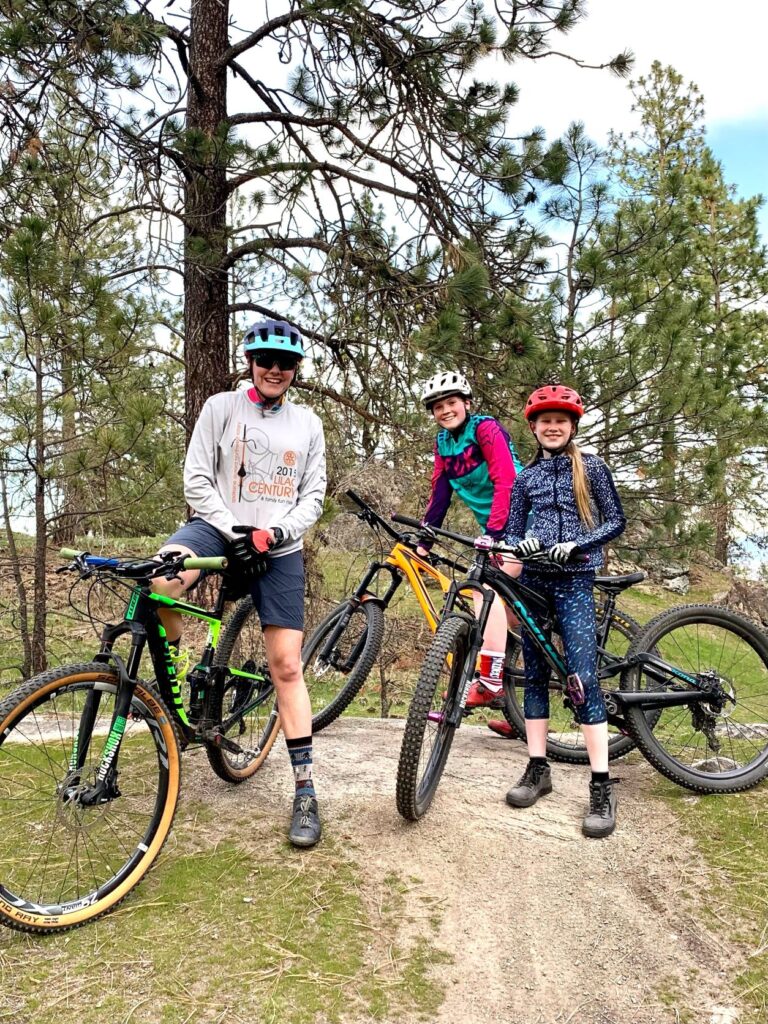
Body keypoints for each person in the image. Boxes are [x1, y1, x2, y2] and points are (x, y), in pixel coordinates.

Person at [153, 318, 326, 848]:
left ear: (296, 369)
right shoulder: (221, 408)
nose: (275, 369)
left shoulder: (308, 424)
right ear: (250, 361)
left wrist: (272, 533)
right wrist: (235, 531)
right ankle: (177, 681)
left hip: (280, 544)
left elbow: (312, 498)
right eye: (265, 359)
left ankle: (306, 791)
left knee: (286, 666)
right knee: (159, 577)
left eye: (286, 362)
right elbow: (197, 477)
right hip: (216, 528)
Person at [503, 384, 626, 838]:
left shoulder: (591, 467)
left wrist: (578, 543)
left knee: (581, 674)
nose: (552, 427)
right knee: (534, 672)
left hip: (575, 578)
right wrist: (523, 544)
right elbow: (513, 530)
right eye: (544, 421)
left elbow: (616, 519)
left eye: (561, 420)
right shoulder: (525, 478)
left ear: (572, 426)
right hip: (534, 580)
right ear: (533, 428)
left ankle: (601, 783)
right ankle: (538, 767)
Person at [418, 370, 523, 707]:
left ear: (466, 403)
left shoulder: (485, 429)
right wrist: (425, 539)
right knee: (512, 618)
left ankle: (490, 681)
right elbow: (440, 492)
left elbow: (506, 481)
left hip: (526, 522)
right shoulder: (443, 444)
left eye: (452, 402)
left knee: (485, 591)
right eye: (438, 407)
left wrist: (493, 533)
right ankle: (520, 709)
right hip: (499, 532)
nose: (446, 410)